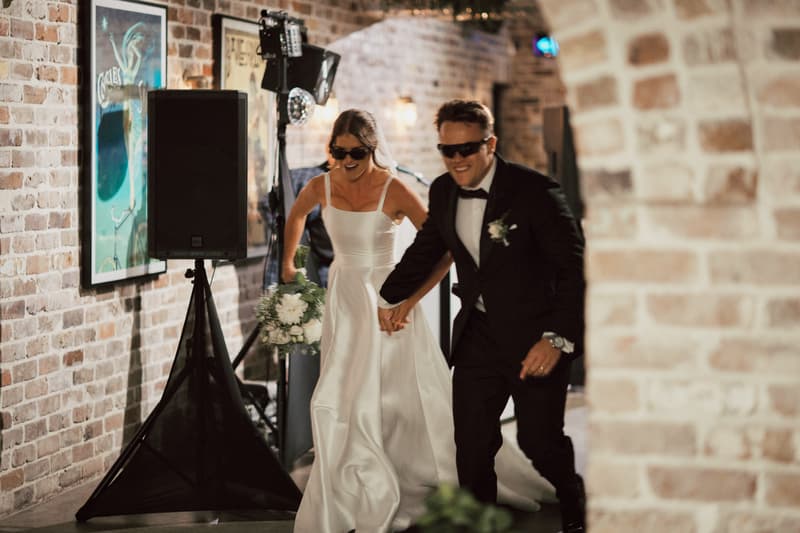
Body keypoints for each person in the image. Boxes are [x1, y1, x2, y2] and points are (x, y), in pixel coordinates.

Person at [284, 109, 555, 532]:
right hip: (344, 297)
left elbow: (444, 246)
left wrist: (409, 302)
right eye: (339, 151)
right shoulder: (322, 185)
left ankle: (402, 472)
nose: (347, 160)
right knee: (343, 389)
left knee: (392, 392)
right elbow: (297, 214)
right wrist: (290, 265)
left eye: (356, 153)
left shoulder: (394, 188)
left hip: (388, 298)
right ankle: (351, 478)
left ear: (373, 149)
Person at [379, 100, 586, 533]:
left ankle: (573, 496)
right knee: (471, 445)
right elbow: (427, 250)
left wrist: (556, 338)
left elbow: (574, 270)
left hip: (535, 337)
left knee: (539, 442)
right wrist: (381, 298)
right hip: (479, 334)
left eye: (467, 149)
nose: (457, 159)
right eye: (447, 150)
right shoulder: (443, 191)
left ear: (490, 144)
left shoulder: (535, 192)